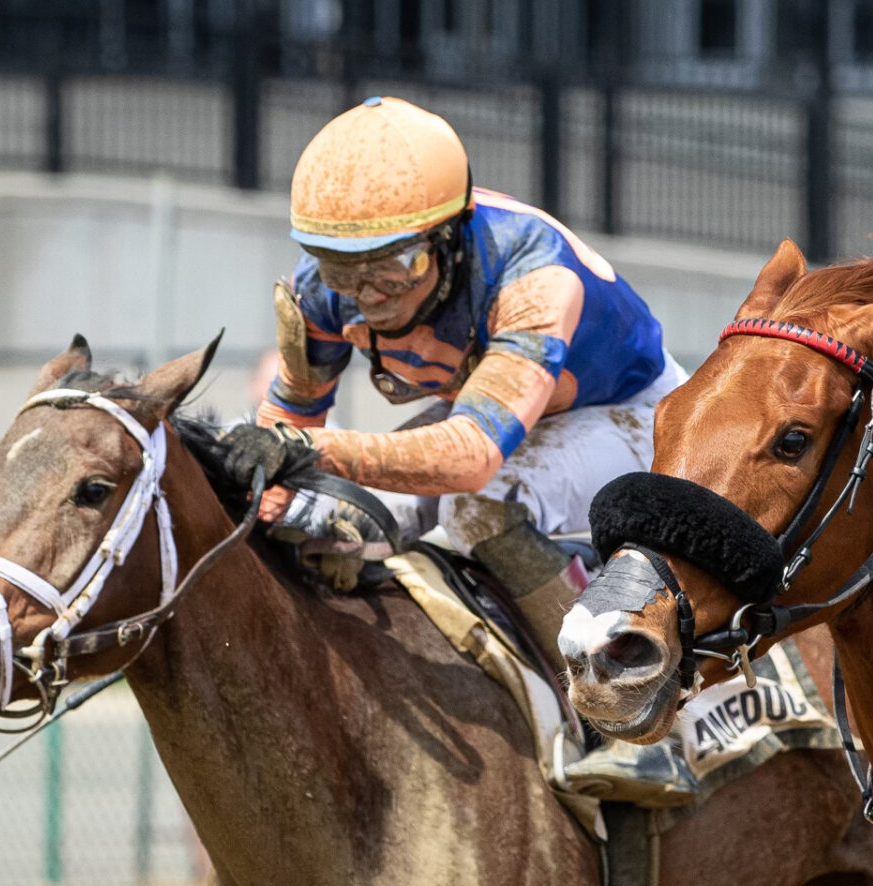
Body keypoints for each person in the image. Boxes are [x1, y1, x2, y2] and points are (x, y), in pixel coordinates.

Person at [211, 95, 694, 806]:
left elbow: (470, 457)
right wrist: (273, 502)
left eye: (394, 267)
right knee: (335, 520)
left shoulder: (534, 273)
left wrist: (307, 450)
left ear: (448, 238)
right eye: (342, 270)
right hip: (501, 413)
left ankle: (624, 722)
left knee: (478, 507)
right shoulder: (322, 290)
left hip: (627, 413)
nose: (367, 297)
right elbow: (291, 420)